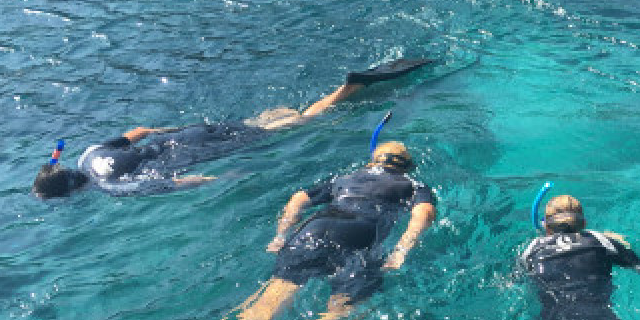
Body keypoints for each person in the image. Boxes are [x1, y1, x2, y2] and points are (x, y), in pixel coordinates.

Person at [31, 58, 432, 198]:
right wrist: (181, 129)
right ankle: (339, 92)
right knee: (267, 119)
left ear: (71, 191)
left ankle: (350, 89)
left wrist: (221, 179)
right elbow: (139, 132)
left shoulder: (111, 186)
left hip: (196, 153)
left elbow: (174, 182)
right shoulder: (90, 153)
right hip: (188, 135)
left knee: (301, 124)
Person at [213, 141, 436, 320]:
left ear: (372, 162)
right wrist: (401, 250)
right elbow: (424, 214)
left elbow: (298, 199)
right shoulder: (412, 184)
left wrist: (281, 235)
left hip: (313, 229)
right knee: (350, 307)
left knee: (272, 298)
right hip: (358, 234)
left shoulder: (345, 178)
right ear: (407, 166)